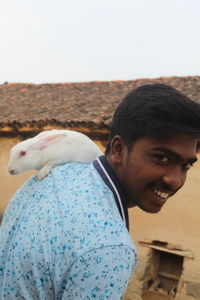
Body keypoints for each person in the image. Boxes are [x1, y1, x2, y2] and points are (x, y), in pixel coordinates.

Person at [0, 84, 200, 299]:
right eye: (161, 158)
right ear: (118, 150)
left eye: (186, 166)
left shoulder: (48, 178)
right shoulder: (110, 249)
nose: (176, 181)